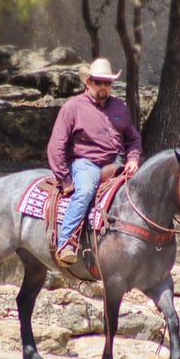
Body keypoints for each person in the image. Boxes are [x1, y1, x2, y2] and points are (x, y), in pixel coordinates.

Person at [46, 57, 142, 265]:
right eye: (98, 82)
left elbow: (133, 139)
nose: (103, 87)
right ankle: (66, 242)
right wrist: (65, 179)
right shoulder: (73, 108)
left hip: (114, 163)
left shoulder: (119, 107)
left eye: (107, 83)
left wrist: (133, 159)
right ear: (88, 82)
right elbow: (56, 146)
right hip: (85, 162)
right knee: (86, 192)